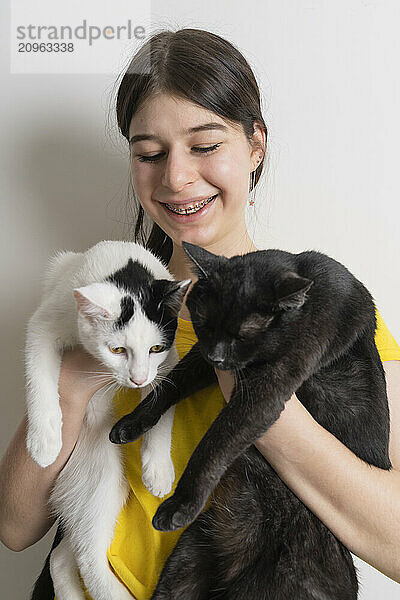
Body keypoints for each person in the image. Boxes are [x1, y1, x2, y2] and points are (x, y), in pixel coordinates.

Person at [1, 28, 400, 600]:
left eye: (206, 145)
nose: (177, 178)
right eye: (149, 154)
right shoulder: (100, 315)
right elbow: (14, 530)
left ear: (255, 144)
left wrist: (262, 395)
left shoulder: (326, 315)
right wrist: (69, 386)